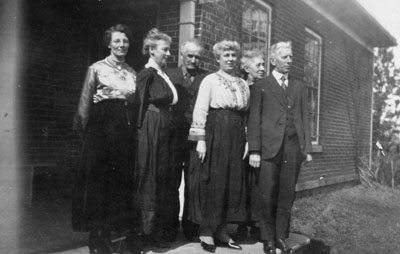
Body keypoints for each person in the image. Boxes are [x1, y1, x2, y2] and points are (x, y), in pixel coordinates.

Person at [71, 24, 142, 254]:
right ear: (109, 44)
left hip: (123, 130)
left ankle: (112, 233)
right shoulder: (97, 68)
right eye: (117, 41)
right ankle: (97, 237)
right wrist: (84, 133)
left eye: (125, 41)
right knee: (99, 182)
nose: (122, 45)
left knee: (118, 183)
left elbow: (133, 104)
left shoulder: (132, 71)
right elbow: (85, 102)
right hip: (101, 130)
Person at [247, 41, 313, 254]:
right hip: (268, 149)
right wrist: (255, 150)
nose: (289, 61)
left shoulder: (299, 86)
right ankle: (267, 238)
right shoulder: (261, 86)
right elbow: (254, 120)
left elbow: (304, 118)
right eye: (285, 57)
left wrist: (307, 148)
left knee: (286, 194)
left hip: (292, 148)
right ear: (273, 60)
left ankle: (280, 236)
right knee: (267, 193)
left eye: (291, 57)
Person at [188, 40, 250, 253]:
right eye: (226, 55)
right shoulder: (210, 80)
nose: (231, 59)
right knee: (215, 182)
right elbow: (200, 109)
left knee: (232, 183)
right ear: (218, 58)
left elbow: (246, 115)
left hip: (237, 134)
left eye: (234, 55)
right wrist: (201, 140)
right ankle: (206, 230)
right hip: (217, 131)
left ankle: (222, 230)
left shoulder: (242, 83)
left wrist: (247, 139)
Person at [135, 28, 177, 249]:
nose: (169, 53)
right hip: (152, 129)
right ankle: (146, 233)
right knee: (150, 176)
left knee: (162, 178)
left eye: (169, 49)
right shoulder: (147, 74)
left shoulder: (162, 74)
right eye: (165, 49)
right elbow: (139, 108)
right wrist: (142, 136)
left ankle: (157, 231)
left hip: (164, 128)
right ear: (151, 50)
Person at [164, 38, 207, 242]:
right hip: (173, 136)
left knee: (194, 182)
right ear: (182, 54)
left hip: (195, 136)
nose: (193, 60)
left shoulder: (205, 78)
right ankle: (170, 226)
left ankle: (191, 227)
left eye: (197, 56)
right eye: (190, 55)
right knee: (172, 181)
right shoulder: (169, 75)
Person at [234, 50, 266, 242]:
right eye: (258, 65)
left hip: (258, 142)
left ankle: (255, 223)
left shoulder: (265, 88)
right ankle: (240, 223)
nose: (262, 69)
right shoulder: (240, 87)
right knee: (241, 181)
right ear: (246, 69)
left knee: (255, 183)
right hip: (239, 139)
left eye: (263, 65)